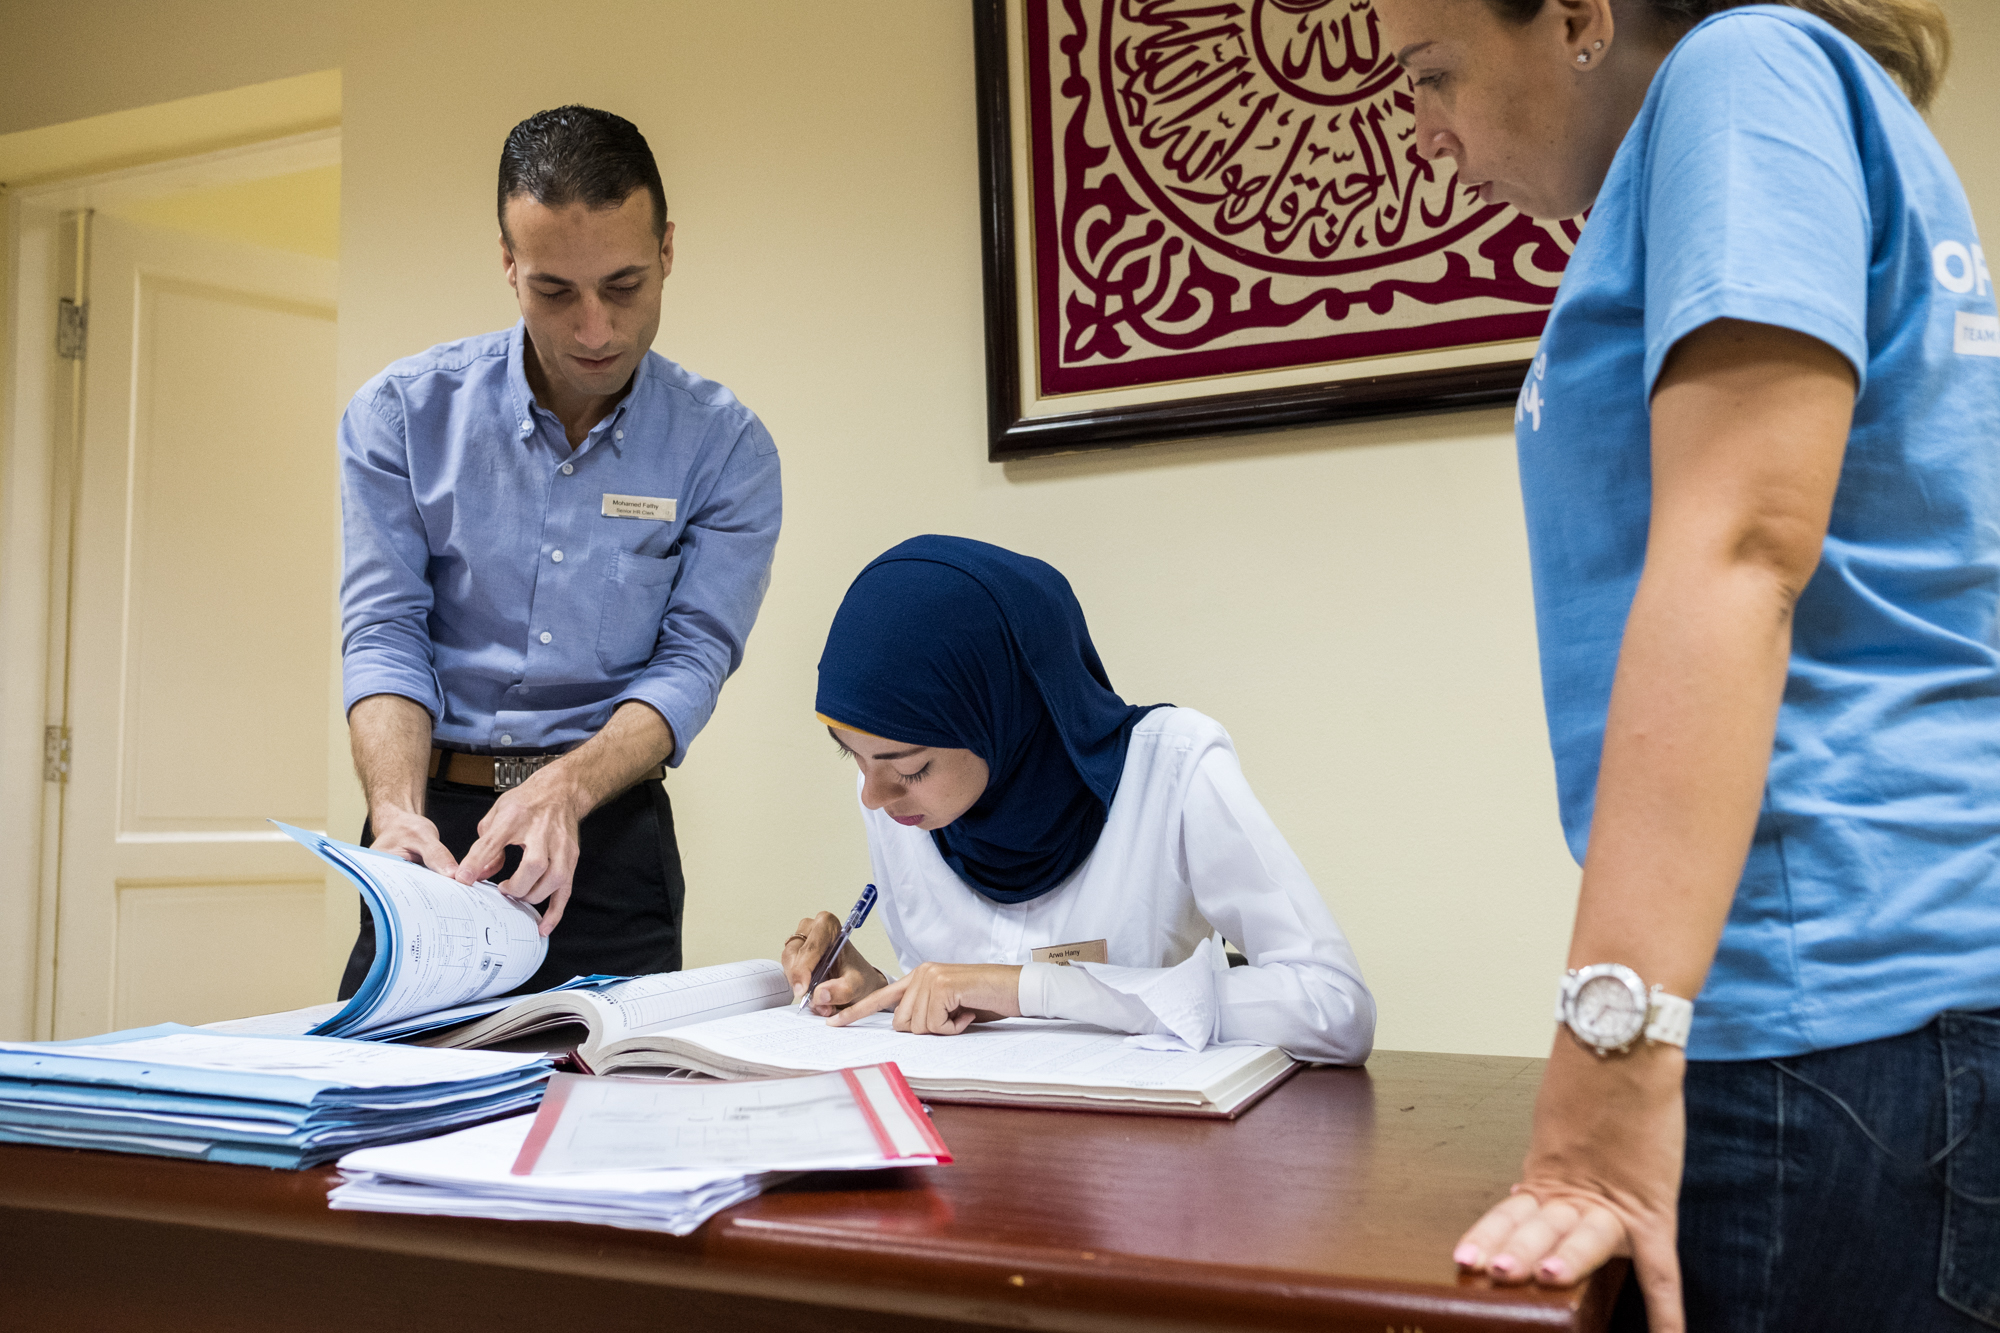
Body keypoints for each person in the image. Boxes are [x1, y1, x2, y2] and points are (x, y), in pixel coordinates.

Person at [1376, 0, 2000, 1328]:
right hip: (1868, 1003)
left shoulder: (1743, 72)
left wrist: (1609, 1051)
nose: (1424, 134)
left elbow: (1739, 550)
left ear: (1580, 19)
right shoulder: (1759, 117)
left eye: (1435, 74)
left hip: (1826, 1008)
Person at [336, 105, 781, 997]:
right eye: (553, 291)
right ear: (507, 263)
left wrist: (567, 790)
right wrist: (395, 810)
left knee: (614, 1112)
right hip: (436, 827)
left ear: (665, 251)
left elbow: (693, 661)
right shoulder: (400, 417)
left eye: (623, 285)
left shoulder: (727, 449)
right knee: (381, 1111)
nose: (593, 330)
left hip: (609, 832)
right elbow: (386, 632)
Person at [778, 536, 1375, 1063]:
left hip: (1147, 1159)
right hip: (970, 1153)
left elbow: (1335, 1006)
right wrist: (875, 986)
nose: (875, 795)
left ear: (1002, 714)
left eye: (910, 768)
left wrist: (1026, 988)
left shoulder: (1171, 770)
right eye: (850, 756)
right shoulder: (898, 802)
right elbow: (957, 1005)